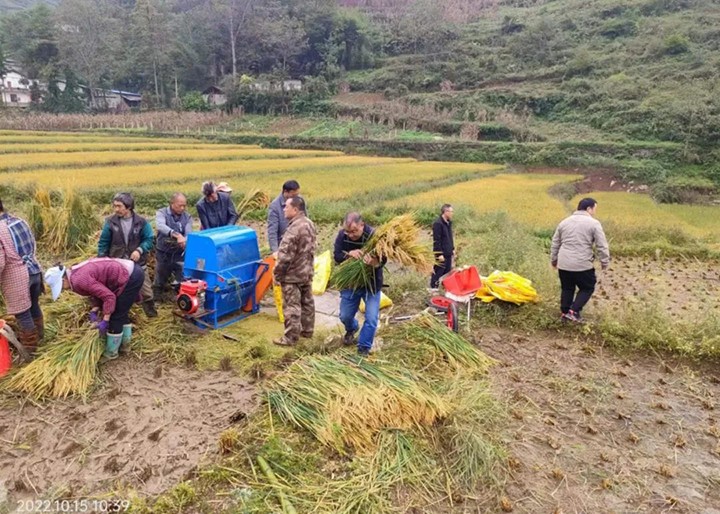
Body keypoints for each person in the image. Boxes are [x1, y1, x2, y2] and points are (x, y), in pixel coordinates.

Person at [45, 258, 144, 360]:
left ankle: (112, 353)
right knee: (121, 311)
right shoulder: (74, 273)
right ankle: (125, 346)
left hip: (131, 276)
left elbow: (109, 297)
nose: (63, 290)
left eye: (61, 287)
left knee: (116, 316)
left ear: (63, 280)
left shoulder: (79, 280)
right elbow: (96, 290)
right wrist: (95, 309)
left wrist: (105, 320)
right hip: (130, 270)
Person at [333, 212, 385, 357]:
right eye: (348, 232)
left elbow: (383, 259)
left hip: (371, 284)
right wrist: (349, 254)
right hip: (351, 283)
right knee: (345, 316)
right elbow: (337, 256)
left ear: (362, 225)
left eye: (354, 231)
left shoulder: (375, 237)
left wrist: (375, 263)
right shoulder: (342, 235)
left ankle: (363, 348)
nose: (350, 235)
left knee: (371, 318)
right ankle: (352, 328)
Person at [550, 197, 610, 322]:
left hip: (564, 263)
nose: (594, 212)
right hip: (582, 264)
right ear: (588, 208)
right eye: (594, 209)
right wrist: (604, 261)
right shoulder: (594, 223)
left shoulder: (564, 222)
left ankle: (565, 313)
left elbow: (555, 243)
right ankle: (573, 311)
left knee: (567, 288)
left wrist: (554, 260)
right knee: (587, 287)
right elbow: (601, 245)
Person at [97, 192, 157, 318]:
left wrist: (139, 250)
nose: (116, 209)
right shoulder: (110, 222)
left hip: (138, 263)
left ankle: (151, 315)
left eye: (119, 206)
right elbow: (103, 242)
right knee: (117, 291)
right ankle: (120, 316)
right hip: (117, 264)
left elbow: (149, 239)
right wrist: (101, 260)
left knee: (146, 291)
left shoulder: (141, 222)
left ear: (129, 207)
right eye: (114, 206)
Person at [272, 196, 317, 347]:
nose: (284, 209)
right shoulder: (309, 224)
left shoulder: (293, 229)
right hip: (306, 272)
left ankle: (290, 338)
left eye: (287, 207)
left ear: (295, 209)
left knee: (292, 306)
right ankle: (307, 330)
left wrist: (277, 274)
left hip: (292, 275)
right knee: (307, 302)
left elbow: (285, 256)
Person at [0, 198, 44, 343]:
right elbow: (33, 244)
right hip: (34, 270)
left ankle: (30, 349)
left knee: (23, 314)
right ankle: (40, 337)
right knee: (34, 305)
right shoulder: (19, 221)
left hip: (17, 278)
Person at [154, 193, 193, 302]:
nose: (182, 208)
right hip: (163, 251)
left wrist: (185, 240)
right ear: (172, 203)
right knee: (161, 274)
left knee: (182, 275)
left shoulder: (187, 216)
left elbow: (189, 232)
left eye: (184, 205)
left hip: (179, 253)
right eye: (180, 205)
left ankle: (180, 297)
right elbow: (160, 226)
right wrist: (176, 235)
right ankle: (157, 297)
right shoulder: (162, 213)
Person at [267, 180, 301, 256]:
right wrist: (275, 251)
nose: (295, 197)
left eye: (297, 194)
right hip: (284, 246)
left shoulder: (300, 201)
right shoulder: (275, 206)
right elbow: (272, 231)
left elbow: (305, 218)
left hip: (299, 243)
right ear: (285, 192)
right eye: (293, 195)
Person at [431, 204, 455, 289]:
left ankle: (442, 287)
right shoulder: (438, 223)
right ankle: (433, 287)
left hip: (448, 251)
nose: (452, 213)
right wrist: (439, 254)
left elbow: (450, 237)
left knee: (447, 270)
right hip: (441, 252)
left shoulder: (448, 223)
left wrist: (452, 248)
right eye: (451, 211)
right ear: (445, 212)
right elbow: (436, 240)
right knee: (439, 270)